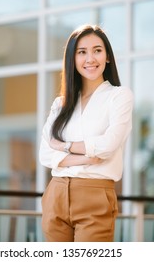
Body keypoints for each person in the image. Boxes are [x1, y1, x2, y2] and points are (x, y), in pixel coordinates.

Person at [39, 24, 133, 242]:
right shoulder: (61, 104)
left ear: (107, 56)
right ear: (73, 59)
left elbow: (107, 146)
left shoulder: (119, 96)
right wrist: (86, 156)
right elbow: (45, 154)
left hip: (95, 194)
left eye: (97, 50)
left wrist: (64, 146)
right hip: (56, 193)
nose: (90, 58)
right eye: (82, 52)